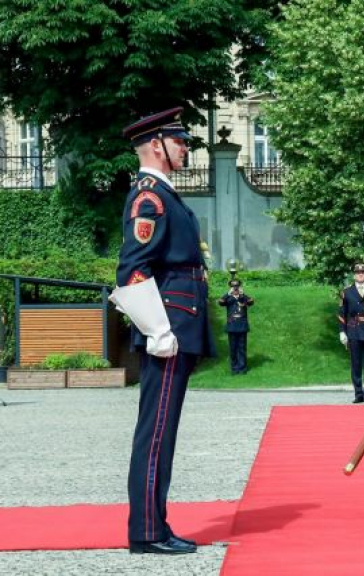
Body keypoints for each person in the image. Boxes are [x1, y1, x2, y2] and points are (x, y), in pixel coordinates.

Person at [109, 108, 215, 555]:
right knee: (156, 432)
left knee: (161, 431)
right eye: (180, 141)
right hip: (168, 328)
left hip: (175, 322)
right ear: (156, 145)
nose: (186, 148)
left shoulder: (164, 194)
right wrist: (157, 329)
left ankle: (154, 526)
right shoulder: (149, 197)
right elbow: (132, 268)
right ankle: (148, 531)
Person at [339, 263, 364, 403]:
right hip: (354, 330)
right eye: (357, 272)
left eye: (363, 272)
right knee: (356, 364)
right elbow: (342, 313)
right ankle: (358, 393)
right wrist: (342, 332)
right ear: (354, 275)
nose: (360, 274)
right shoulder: (346, 292)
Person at [218, 278, 255, 375]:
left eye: (236, 286)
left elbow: (251, 301)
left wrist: (243, 295)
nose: (235, 288)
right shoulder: (228, 298)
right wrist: (227, 294)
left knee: (242, 348)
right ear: (230, 287)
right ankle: (234, 368)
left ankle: (242, 368)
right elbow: (220, 302)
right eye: (233, 286)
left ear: (239, 286)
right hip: (232, 326)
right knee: (233, 348)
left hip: (242, 326)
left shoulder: (243, 297)